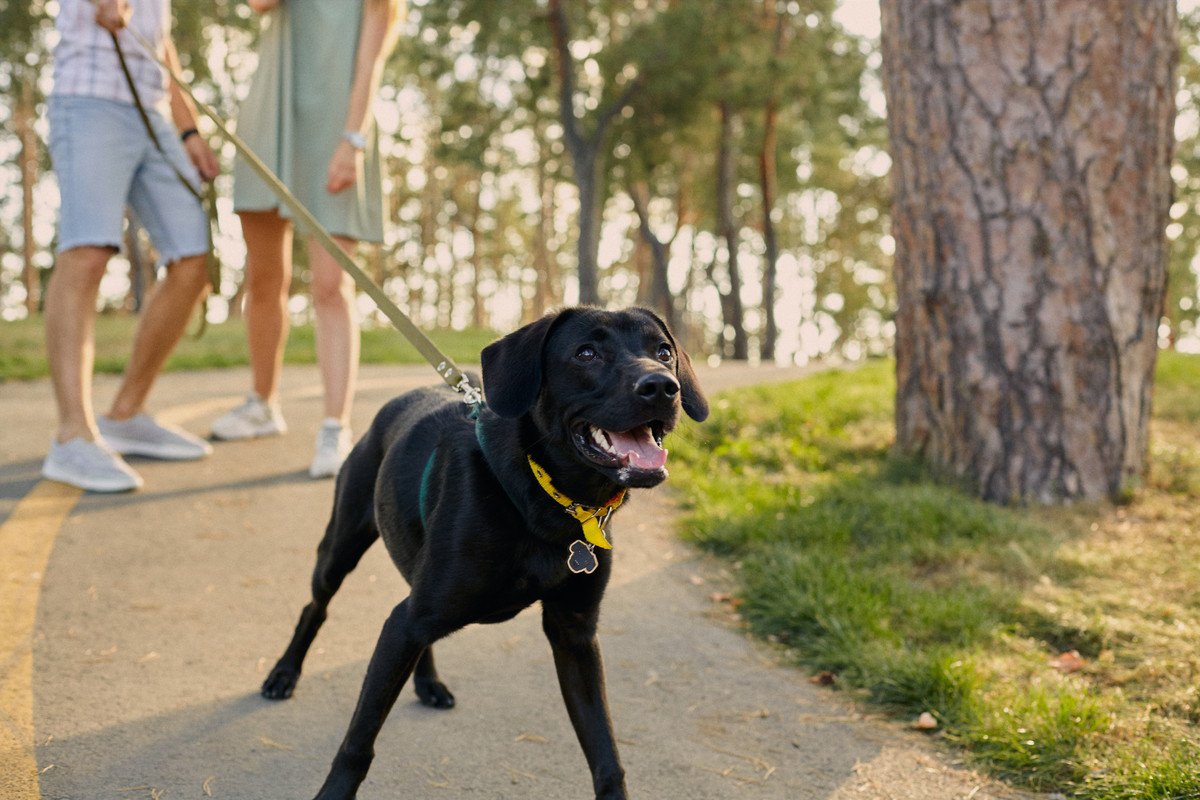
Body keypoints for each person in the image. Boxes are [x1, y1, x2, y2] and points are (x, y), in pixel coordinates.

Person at [210, 0, 401, 479]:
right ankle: (262, 403)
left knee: (330, 285)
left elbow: (372, 61)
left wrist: (352, 140)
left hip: (338, 128)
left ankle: (334, 426)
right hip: (271, 116)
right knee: (263, 276)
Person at [41, 0, 220, 493]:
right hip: (88, 100)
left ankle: (126, 414)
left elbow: (161, 43)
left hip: (154, 113)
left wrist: (188, 130)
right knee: (88, 251)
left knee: (194, 260)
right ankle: (72, 437)